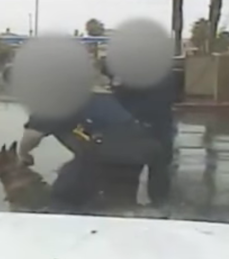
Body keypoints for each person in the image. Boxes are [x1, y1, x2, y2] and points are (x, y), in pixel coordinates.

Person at [18, 90, 163, 210]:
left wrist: (23, 154)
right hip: (142, 149)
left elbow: (32, 137)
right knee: (119, 202)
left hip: (109, 153)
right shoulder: (89, 96)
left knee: (63, 196)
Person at [101, 60, 177, 206]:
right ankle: (157, 206)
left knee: (148, 170)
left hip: (145, 126)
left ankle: (150, 205)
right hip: (152, 125)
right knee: (150, 170)